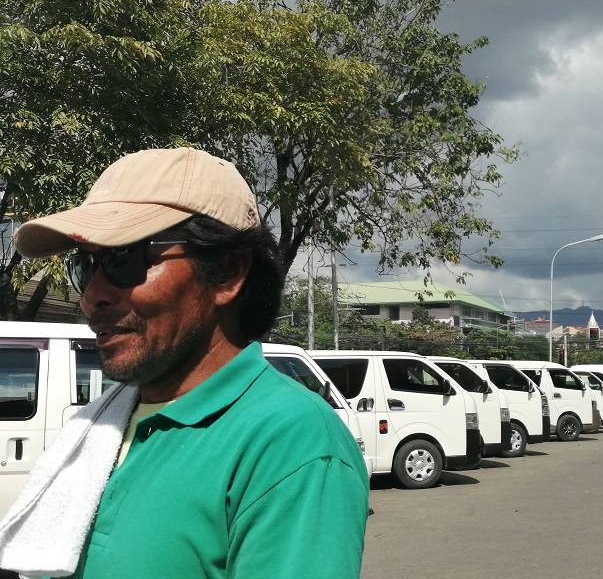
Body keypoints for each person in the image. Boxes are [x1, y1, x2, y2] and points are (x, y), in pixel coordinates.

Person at [0, 148, 369, 578]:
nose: (91, 295)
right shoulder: (100, 426)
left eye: (125, 258)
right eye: (85, 266)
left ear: (227, 272)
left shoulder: (291, 441)